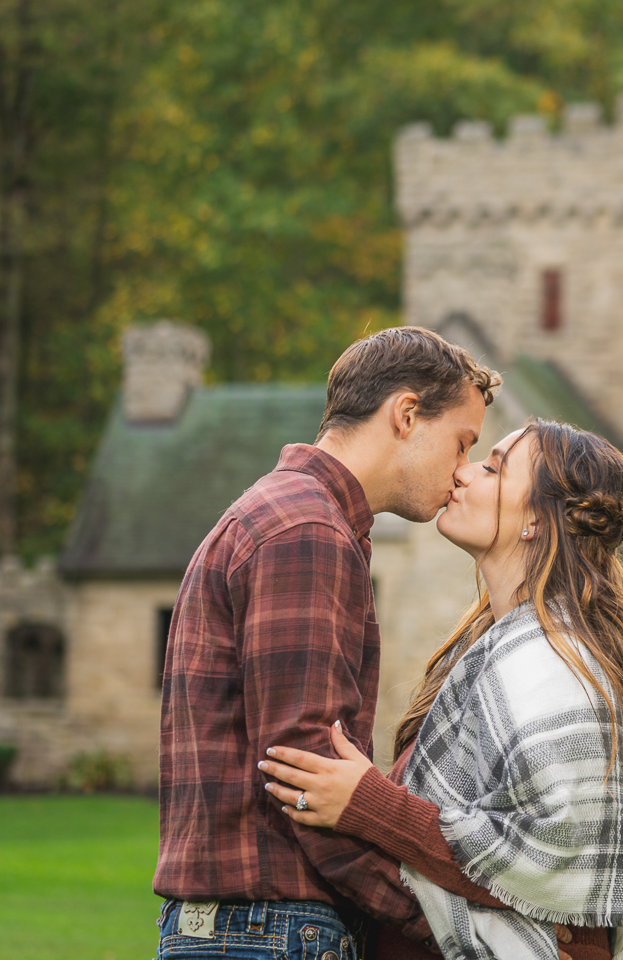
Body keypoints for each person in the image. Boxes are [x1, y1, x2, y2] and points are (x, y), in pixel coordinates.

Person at [258, 419, 623, 960]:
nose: (462, 473)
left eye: (493, 467)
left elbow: (548, 864)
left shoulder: (557, 666)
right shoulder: (497, 652)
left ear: (537, 519)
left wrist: (370, 804)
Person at [154, 327, 501, 959]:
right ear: (405, 414)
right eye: (462, 443)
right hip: (269, 931)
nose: (461, 472)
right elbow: (306, 781)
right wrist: (447, 931)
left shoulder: (297, 516)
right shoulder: (307, 529)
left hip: (249, 931)